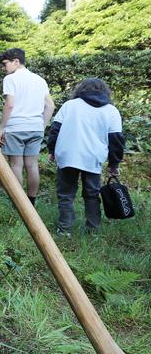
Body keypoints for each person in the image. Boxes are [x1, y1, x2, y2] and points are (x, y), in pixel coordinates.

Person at [47, 78, 124, 236]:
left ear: (80, 89)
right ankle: (92, 230)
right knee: (92, 194)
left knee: (66, 194)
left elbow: (55, 129)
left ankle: (64, 230)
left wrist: (52, 150)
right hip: (93, 157)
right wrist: (113, 164)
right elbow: (116, 139)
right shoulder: (111, 110)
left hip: (68, 155)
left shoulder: (70, 106)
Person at [0, 48, 55, 206]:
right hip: (35, 127)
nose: (3, 68)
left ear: (16, 61)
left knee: (16, 164)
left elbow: (9, 105)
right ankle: (31, 203)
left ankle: (19, 204)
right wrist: (41, 127)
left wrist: (1, 127)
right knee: (32, 164)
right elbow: (50, 106)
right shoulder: (40, 80)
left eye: (4, 64)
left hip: (16, 127)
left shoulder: (11, 79)